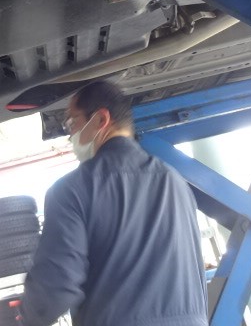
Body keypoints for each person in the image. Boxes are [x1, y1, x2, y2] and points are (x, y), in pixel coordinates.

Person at [18, 81, 208, 326]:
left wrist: (25, 318)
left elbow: (56, 286)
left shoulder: (73, 189)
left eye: (72, 123)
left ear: (100, 120)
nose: (70, 136)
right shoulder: (176, 182)